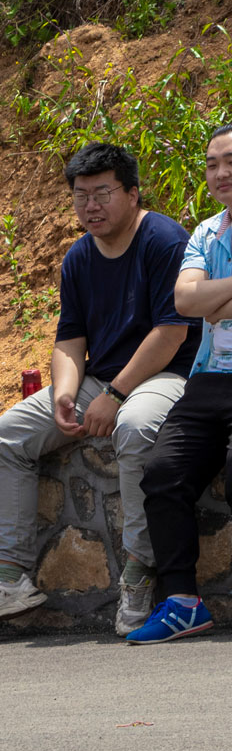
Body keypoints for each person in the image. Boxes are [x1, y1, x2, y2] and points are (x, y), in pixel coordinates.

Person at [0, 143, 198, 638]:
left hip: (166, 376)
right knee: (8, 433)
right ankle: (9, 576)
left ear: (132, 193)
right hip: (100, 380)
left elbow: (172, 332)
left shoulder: (164, 240)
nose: (91, 206)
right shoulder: (80, 255)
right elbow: (69, 340)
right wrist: (66, 394)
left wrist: (117, 394)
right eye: (81, 195)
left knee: (133, 427)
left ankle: (138, 569)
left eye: (102, 193)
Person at [129, 123, 232, 642]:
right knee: (163, 473)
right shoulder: (206, 233)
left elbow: (199, 298)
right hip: (210, 378)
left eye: (230, 161)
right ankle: (182, 601)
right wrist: (209, 297)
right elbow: (185, 303)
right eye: (212, 164)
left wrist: (210, 295)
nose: (221, 173)